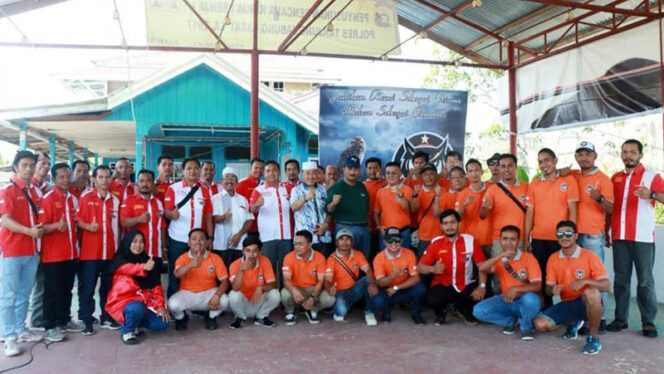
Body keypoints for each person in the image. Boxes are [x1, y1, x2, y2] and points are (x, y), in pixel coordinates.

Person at [607, 139, 664, 337]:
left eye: (633, 152)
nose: (628, 155)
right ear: (621, 154)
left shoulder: (652, 176)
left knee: (645, 281)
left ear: (640, 155)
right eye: (625, 152)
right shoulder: (615, 178)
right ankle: (620, 319)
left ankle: (648, 322)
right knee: (621, 280)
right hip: (620, 237)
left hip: (643, 238)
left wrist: (653, 194)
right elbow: (611, 209)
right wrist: (608, 231)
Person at [533, 221, 610, 355]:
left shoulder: (589, 256)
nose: (564, 237)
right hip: (567, 304)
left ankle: (594, 338)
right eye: (560, 234)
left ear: (576, 236)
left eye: (568, 233)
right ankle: (573, 323)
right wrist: (552, 290)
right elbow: (548, 288)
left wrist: (585, 281)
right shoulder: (553, 258)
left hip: (587, 303)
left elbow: (607, 286)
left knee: (590, 292)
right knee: (540, 324)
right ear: (556, 237)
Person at [0, 151, 44, 356]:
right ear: (16, 167)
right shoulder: (8, 190)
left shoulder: (35, 191)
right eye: (24, 165)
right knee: (8, 296)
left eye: (31, 165)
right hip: (12, 251)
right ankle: (9, 337)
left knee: (24, 294)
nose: (29, 168)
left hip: (31, 251)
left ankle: (20, 329)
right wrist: (29, 232)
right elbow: (5, 220)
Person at [525, 148, 579, 307]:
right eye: (540, 161)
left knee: (566, 277)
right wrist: (527, 238)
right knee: (542, 278)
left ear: (555, 160)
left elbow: (573, 210)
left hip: (561, 239)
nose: (543, 164)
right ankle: (546, 311)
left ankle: (570, 314)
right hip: (539, 239)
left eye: (547, 160)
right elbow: (530, 213)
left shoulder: (568, 181)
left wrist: (571, 235)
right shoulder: (534, 185)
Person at [38, 163, 84, 342]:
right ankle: (50, 326)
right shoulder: (48, 198)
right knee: (52, 292)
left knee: (66, 290)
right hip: (53, 256)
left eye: (67, 176)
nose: (66, 179)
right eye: (61, 177)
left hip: (71, 254)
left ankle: (65, 320)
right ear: (54, 179)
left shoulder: (73, 199)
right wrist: (56, 226)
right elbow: (41, 227)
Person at [572, 141, 614, 332]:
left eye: (588, 154)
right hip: (573, 236)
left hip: (592, 235)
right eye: (580, 154)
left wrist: (600, 198)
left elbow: (611, 208)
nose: (584, 158)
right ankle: (583, 317)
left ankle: (601, 318)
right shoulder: (573, 176)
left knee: (596, 276)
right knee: (578, 276)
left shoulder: (603, 179)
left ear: (595, 156)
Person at [472, 225, 542, 340]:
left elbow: (537, 286)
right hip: (508, 300)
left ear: (518, 241)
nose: (508, 243)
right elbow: (482, 269)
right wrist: (501, 255)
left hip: (525, 301)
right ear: (500, 240)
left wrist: (515, 289)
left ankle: (527, 327)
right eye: (505, 239)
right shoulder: (500, 259)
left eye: (512, 239)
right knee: (478, 311)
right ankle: (511, 321)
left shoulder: (529, 258)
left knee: (531, 299)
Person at [418, 210, 486, 326]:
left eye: (452, 222)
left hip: (465, 284)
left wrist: (482, 286)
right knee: (434, 299)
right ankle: (441, 313)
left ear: (459, 224)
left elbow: (482, 266)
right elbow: (420, 267)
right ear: (441, 226)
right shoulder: (435, 243)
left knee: (479, 298)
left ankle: (461, 308)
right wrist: (433, 269)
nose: (449, 226)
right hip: (443, 285)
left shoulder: (470, 241)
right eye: (445, 223)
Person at [76, 165, 121, 335]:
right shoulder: (86, 197)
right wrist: (88, 226)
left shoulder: (115, 201)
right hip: (90, 253)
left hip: (110, 252)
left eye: (107, 177)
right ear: (94, 179)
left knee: (108, 288)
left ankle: (107, 317)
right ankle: (87, 320)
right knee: (88, 288)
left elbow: (119, 227)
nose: (104, 180)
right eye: (100, 177)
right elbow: (78, 220)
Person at [105, 230, 169, 345]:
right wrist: (143, 268)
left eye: (141, 242)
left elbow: (156, 286)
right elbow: (127, 268)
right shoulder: (119, 260)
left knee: (163, 323)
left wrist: (161, 306)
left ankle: (136, 324)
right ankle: (127, 331)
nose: (138, 245)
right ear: (128, 242)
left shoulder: (147, 261)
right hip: (123, 304)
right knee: (136, 308)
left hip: (144, 304)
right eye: (134, 241)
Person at [163, 158, 213, 298]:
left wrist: (210, 237)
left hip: (198, 242)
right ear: (183, 171)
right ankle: (174, 308)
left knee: (198, 272)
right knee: (176, 273)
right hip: (178, 239)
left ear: (199, 171)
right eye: (189, 168)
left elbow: (208, 216)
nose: (193, 171)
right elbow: (166, 212)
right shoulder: (173, 189)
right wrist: (172, 214)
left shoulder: (204, 191)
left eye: (196, 168)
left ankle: (196, 306)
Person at [168, 229, 229, 331]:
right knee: (172, 304)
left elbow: (225, 280)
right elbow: (177, 274)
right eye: (194, 239)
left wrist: (217, 295)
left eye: (202, 239)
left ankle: (211, 317)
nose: (198, 242)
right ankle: (182, 318)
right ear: (189, 242)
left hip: (208, 294)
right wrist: (190, 265)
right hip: (187, 294)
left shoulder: (215, 258)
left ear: (206, 242)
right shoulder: (182, 258)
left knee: (224, 300)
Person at [370, 227, 426, 325]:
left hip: (403, 288)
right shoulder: (379, 258)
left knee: (421, 288)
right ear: (384, 242)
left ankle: (416, 314)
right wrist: (392, 276)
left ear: (402, 241)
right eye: (390, 240)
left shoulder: (409, 254)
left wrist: (396, 287)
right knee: (376, 298)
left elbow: (416, 278)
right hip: (387, 291)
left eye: (397, 240)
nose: (393, 243)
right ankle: (386, 312)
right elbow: (381, 283)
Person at [250, 161, 293, 286]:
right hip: (268, 237)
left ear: (279, 172)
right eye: (268, 171)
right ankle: (271, 298)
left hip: (286, 236)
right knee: (269, 269)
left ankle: (285, 297)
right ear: (264, 173)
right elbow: (252, 210)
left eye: (274, 170)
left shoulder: (288, 188)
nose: (271, 173)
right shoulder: (258, 190)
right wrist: (257, 205)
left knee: (285, 269)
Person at [324, 228, 379, 325]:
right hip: (339, 291)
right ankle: (345, 304)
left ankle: (369, 312)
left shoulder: (358, 254)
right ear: (336, 242)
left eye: (347, 239)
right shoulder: (332, 258)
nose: (345, 242)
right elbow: (327, 279)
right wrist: (329, 288)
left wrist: (373, 283)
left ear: (352, 242)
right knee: (341, 312)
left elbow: (368, 270)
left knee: (368, 280)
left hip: (353, 289)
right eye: (341, 239)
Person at [281, 230, 335, 325]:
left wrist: (313, 297)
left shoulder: (319, 257)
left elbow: (321, 281)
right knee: (284, 294)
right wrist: (294, 291)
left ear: (310, 245)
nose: (297, 247)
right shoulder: (288, 257)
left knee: (330, 298)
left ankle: (312, 309)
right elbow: (286, 279)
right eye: (295, 244)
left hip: (313, 289)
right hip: (297, 290)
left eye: (300, 244)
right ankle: (290, 312)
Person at [480, 153, 529, 257]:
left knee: (520, 272)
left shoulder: (527, 188)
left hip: (521, 240)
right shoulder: (492, 190)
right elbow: (482, 215)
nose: (506, 169)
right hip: (499, 241)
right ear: (500, 169)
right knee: (498, 272)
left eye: (510, 166)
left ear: (515, 167)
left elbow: (531, 213)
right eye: (503, 166)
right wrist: (484, 208)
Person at [228, 236, 280, 329]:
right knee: (233, 295)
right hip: (243, 304)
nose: (251, 254)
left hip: (258, 301)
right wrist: (241, 271)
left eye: (255, 251)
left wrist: (261, 288)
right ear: (243, 251)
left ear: (260, 252)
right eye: (248, 251)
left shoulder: (265, 261)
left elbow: (273, 284)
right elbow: (235, 288)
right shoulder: (234, 265)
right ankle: (240, 317)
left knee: (275, 294)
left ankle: (261, 316)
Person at [327, 156, 371, 258]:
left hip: (364, 229)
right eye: (350, 168)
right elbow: (328, 209)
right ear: (344, 170)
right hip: (345, 228)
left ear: (359, 170)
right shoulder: (337, 187)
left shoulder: (362, 186)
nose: (352, 172)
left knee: (364, 260)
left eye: (355, 169)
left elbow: (366, 208)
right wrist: (333, 203)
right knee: (347, 260)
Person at [211, 167, 253, 267]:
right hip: (221, 244)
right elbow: (212, 219)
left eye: (233, 177)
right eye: (226, 177)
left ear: (237, 182)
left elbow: (249, 220)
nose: (229, 180)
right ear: (222, 181)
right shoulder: (215, 199)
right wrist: (223, 217)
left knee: (238, 273)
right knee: (222, 274)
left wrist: (239, 235)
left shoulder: (243, 200)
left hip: (240, 244)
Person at [120, 169, 166, 260]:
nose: (145, 184)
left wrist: (164, 248)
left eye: (148, 181)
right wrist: (138, 219)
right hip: (136, 253)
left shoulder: (158, 203)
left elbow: (162, 228)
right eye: (141, 181)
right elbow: (123, 222)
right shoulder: (129, 201)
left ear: (153, 183)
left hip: (155, 252)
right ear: (137, 184)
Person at [28, 152, 50, 332]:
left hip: (47, 246)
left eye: (47, 163)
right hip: (29, 247)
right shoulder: (27, 189)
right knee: (31, 287)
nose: (44, 166)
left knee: (44, 284)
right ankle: (34, 322)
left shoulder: (47, 189)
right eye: (41, 163)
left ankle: (40, 319)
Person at [290, 161, 332, 255]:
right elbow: (293, 207)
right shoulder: (296, 190)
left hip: (323, 237)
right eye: (307, 173)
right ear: (302, 174)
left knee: (322, 267)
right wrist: (305, 198)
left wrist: (326, 224)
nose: (311, 176)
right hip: (305, 240)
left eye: (314, 173)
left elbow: (328, 210)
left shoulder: (323, 189)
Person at [455, 159, 492, 256]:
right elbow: (457, 217)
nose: (474, 174)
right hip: (470, 240)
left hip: (491, 239)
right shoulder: (463, 194)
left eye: (476, 170)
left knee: (494, 270)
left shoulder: (492, 189)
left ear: (482, 172)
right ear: (467, 174)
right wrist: (464, 205)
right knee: (472, 271)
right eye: (470, 171)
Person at [374, 161, 415, 250]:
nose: (391, 175)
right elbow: (376, 212)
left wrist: (401, 196)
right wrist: (379, 226)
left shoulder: (407, 190)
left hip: (403, 232)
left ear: (400, 173)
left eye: (394, 173)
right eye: (388, 173)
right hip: (386, 233)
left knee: (405, 260)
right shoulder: (380, 192)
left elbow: (409, 209)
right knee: (385, 260)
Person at [411, 163, 443, 258]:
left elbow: (437, 214)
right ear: (421, 177)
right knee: (423, 266)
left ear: (436, 176)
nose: (428, 177)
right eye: (425, 175)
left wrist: (437, 195)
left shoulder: (444, 191)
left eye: (431, 174)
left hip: (441, 236)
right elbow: (413, 209)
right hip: (423, 237)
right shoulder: (418, 192)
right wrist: (414, 195)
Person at [362, 157, 386, 260]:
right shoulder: (362, 185)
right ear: (366, 170)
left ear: (381, 169)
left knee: (384, 256)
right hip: (368, 228)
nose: (373, 171)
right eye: (370, 168)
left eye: (376, 168)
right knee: (368, 256)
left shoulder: (387, 184)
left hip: (384, 228)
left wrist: (384, 180)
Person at [236, 157, 264, 240]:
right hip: (249, 228)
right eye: (256, 168)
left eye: (261, 168)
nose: (258, 171)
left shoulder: (265, 185)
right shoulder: (242, 185)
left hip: (264, 228)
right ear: (250, 168)